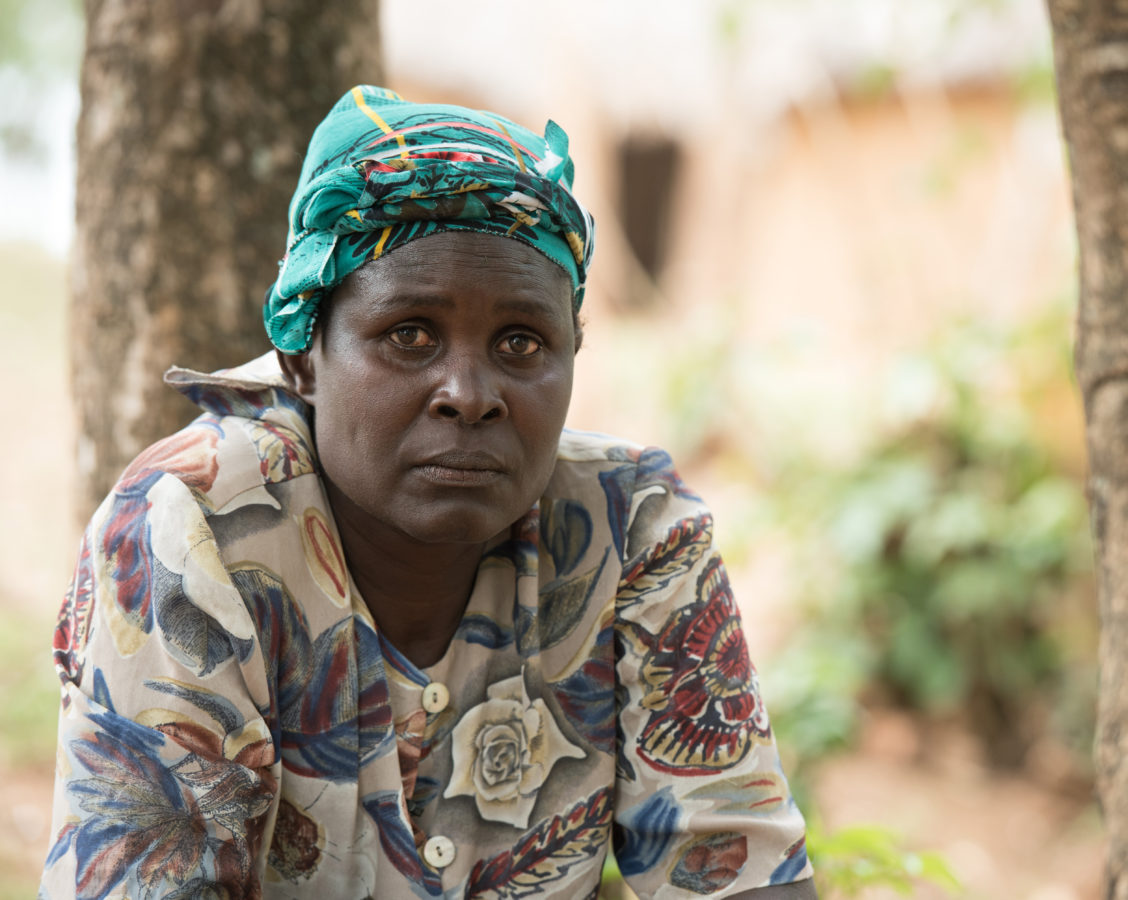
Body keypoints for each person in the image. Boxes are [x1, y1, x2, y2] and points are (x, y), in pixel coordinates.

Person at [41, 85, 816, 899]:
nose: (470, 393)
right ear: (304, 356)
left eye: (522, 341)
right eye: (409, 334)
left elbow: (738, 868)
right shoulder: (194, 527)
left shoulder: (632, 529)